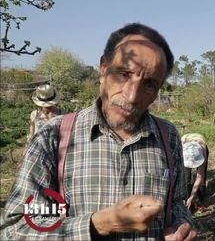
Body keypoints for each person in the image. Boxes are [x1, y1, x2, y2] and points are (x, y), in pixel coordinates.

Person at [1, 23, 196, 240]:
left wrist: (183, 223)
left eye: (149, 84)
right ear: (103, 68)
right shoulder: (54, 136)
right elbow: (16, 229)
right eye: (124, 73)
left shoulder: (168, 136)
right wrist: (97, 225)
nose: (132, 96)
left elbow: (177, 203)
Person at [181, 133, 209, 211]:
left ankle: (200, 198)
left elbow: (199, 176)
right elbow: (179, 175)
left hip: (199, 143)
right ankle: (185, 197)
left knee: (202, 178)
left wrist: (192, 197)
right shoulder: (181, 150)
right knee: (186, 176)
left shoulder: (203, 150)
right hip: (185, 142)